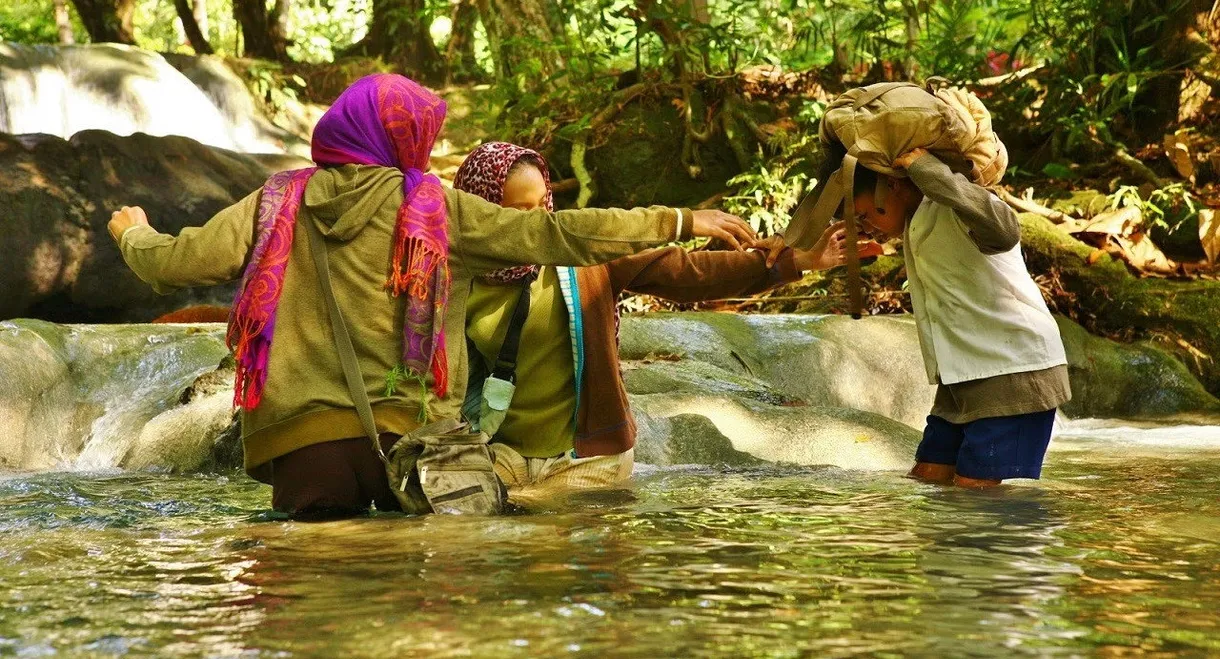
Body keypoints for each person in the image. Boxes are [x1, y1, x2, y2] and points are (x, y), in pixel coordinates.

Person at [105, 74, 756, 519]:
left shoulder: (274, 200)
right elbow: (554, 234)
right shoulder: (434, 208)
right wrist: (677, 219)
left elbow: (175, 264)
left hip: (303, 443)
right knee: (410, 595)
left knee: (310, 594)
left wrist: (134, 234)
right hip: (413, 447)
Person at [453, 142, 876, 503]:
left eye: (541, 207)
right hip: (502, 453)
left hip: (584, 460)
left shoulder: (584, 257)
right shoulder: (455, 276)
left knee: (557, 540)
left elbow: (687, 273)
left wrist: (796, 262)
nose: (536, 224)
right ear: (482, 214)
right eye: (517, 213)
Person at [844, 146, 1071, 488]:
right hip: (961, 378)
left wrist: (927, 170)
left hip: (1013, 371)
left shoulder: (958, 205)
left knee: (973, 497)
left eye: (863, 216)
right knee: (928, 480)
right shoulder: (914, 220)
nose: (865, 227)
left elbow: (1006, 230)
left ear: (891, 185)